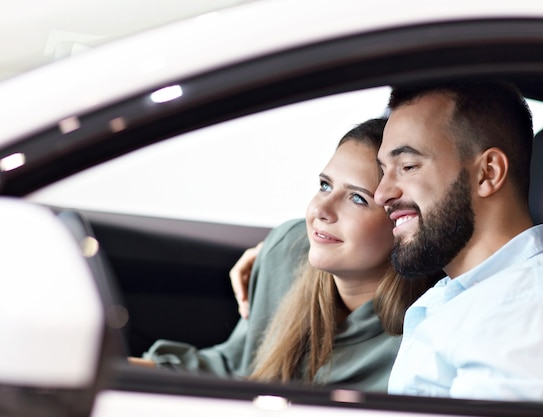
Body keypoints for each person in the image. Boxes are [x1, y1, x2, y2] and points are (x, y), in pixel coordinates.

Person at [374, 80, 543, 402]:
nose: (382, 193)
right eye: (383, 170)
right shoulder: (471, 295)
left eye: (408, 166)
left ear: (488, 173)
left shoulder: (539, 314)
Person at [140, 118, 435, 391]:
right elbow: (236, 366)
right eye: (324, 186)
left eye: (357, 198)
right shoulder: (287, 250)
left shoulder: (426, 331)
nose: (320, 210)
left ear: (402, 222)